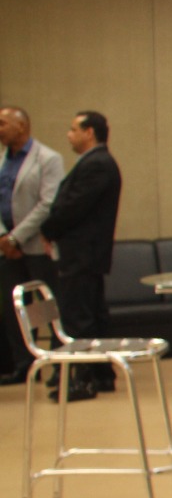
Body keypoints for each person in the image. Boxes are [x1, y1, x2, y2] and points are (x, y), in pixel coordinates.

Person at [40, 111, 122, 400]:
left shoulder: (97, 164)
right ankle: (102, 374)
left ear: (89, 132)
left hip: (82, 254)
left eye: (73, 129)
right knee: (92, 316)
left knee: (79, 319)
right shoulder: (95, 162)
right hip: (85, 254)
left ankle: (83, 379)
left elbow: (74, 206)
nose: (69, 134)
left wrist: (48, 228)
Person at [0, 106, 65, 383]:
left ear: (22, 126)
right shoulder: (2, 160)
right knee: (14, 308)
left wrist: (16, 237)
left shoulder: (48, 158)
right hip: (7, 249)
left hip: (36, 247)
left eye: (2, 123)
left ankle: (57, 364)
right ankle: (23, 365)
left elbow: (48, 204)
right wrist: (4, 238)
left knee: (45, 308)